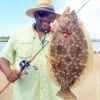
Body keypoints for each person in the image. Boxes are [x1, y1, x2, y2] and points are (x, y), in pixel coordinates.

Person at [0, 0, 62, 100]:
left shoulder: (62, 36)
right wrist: (8, 72)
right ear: (35, 15)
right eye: (41, 14)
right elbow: (3, 58)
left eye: (50, 16)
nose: (46, 18)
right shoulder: (18, 34)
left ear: (54, 18)